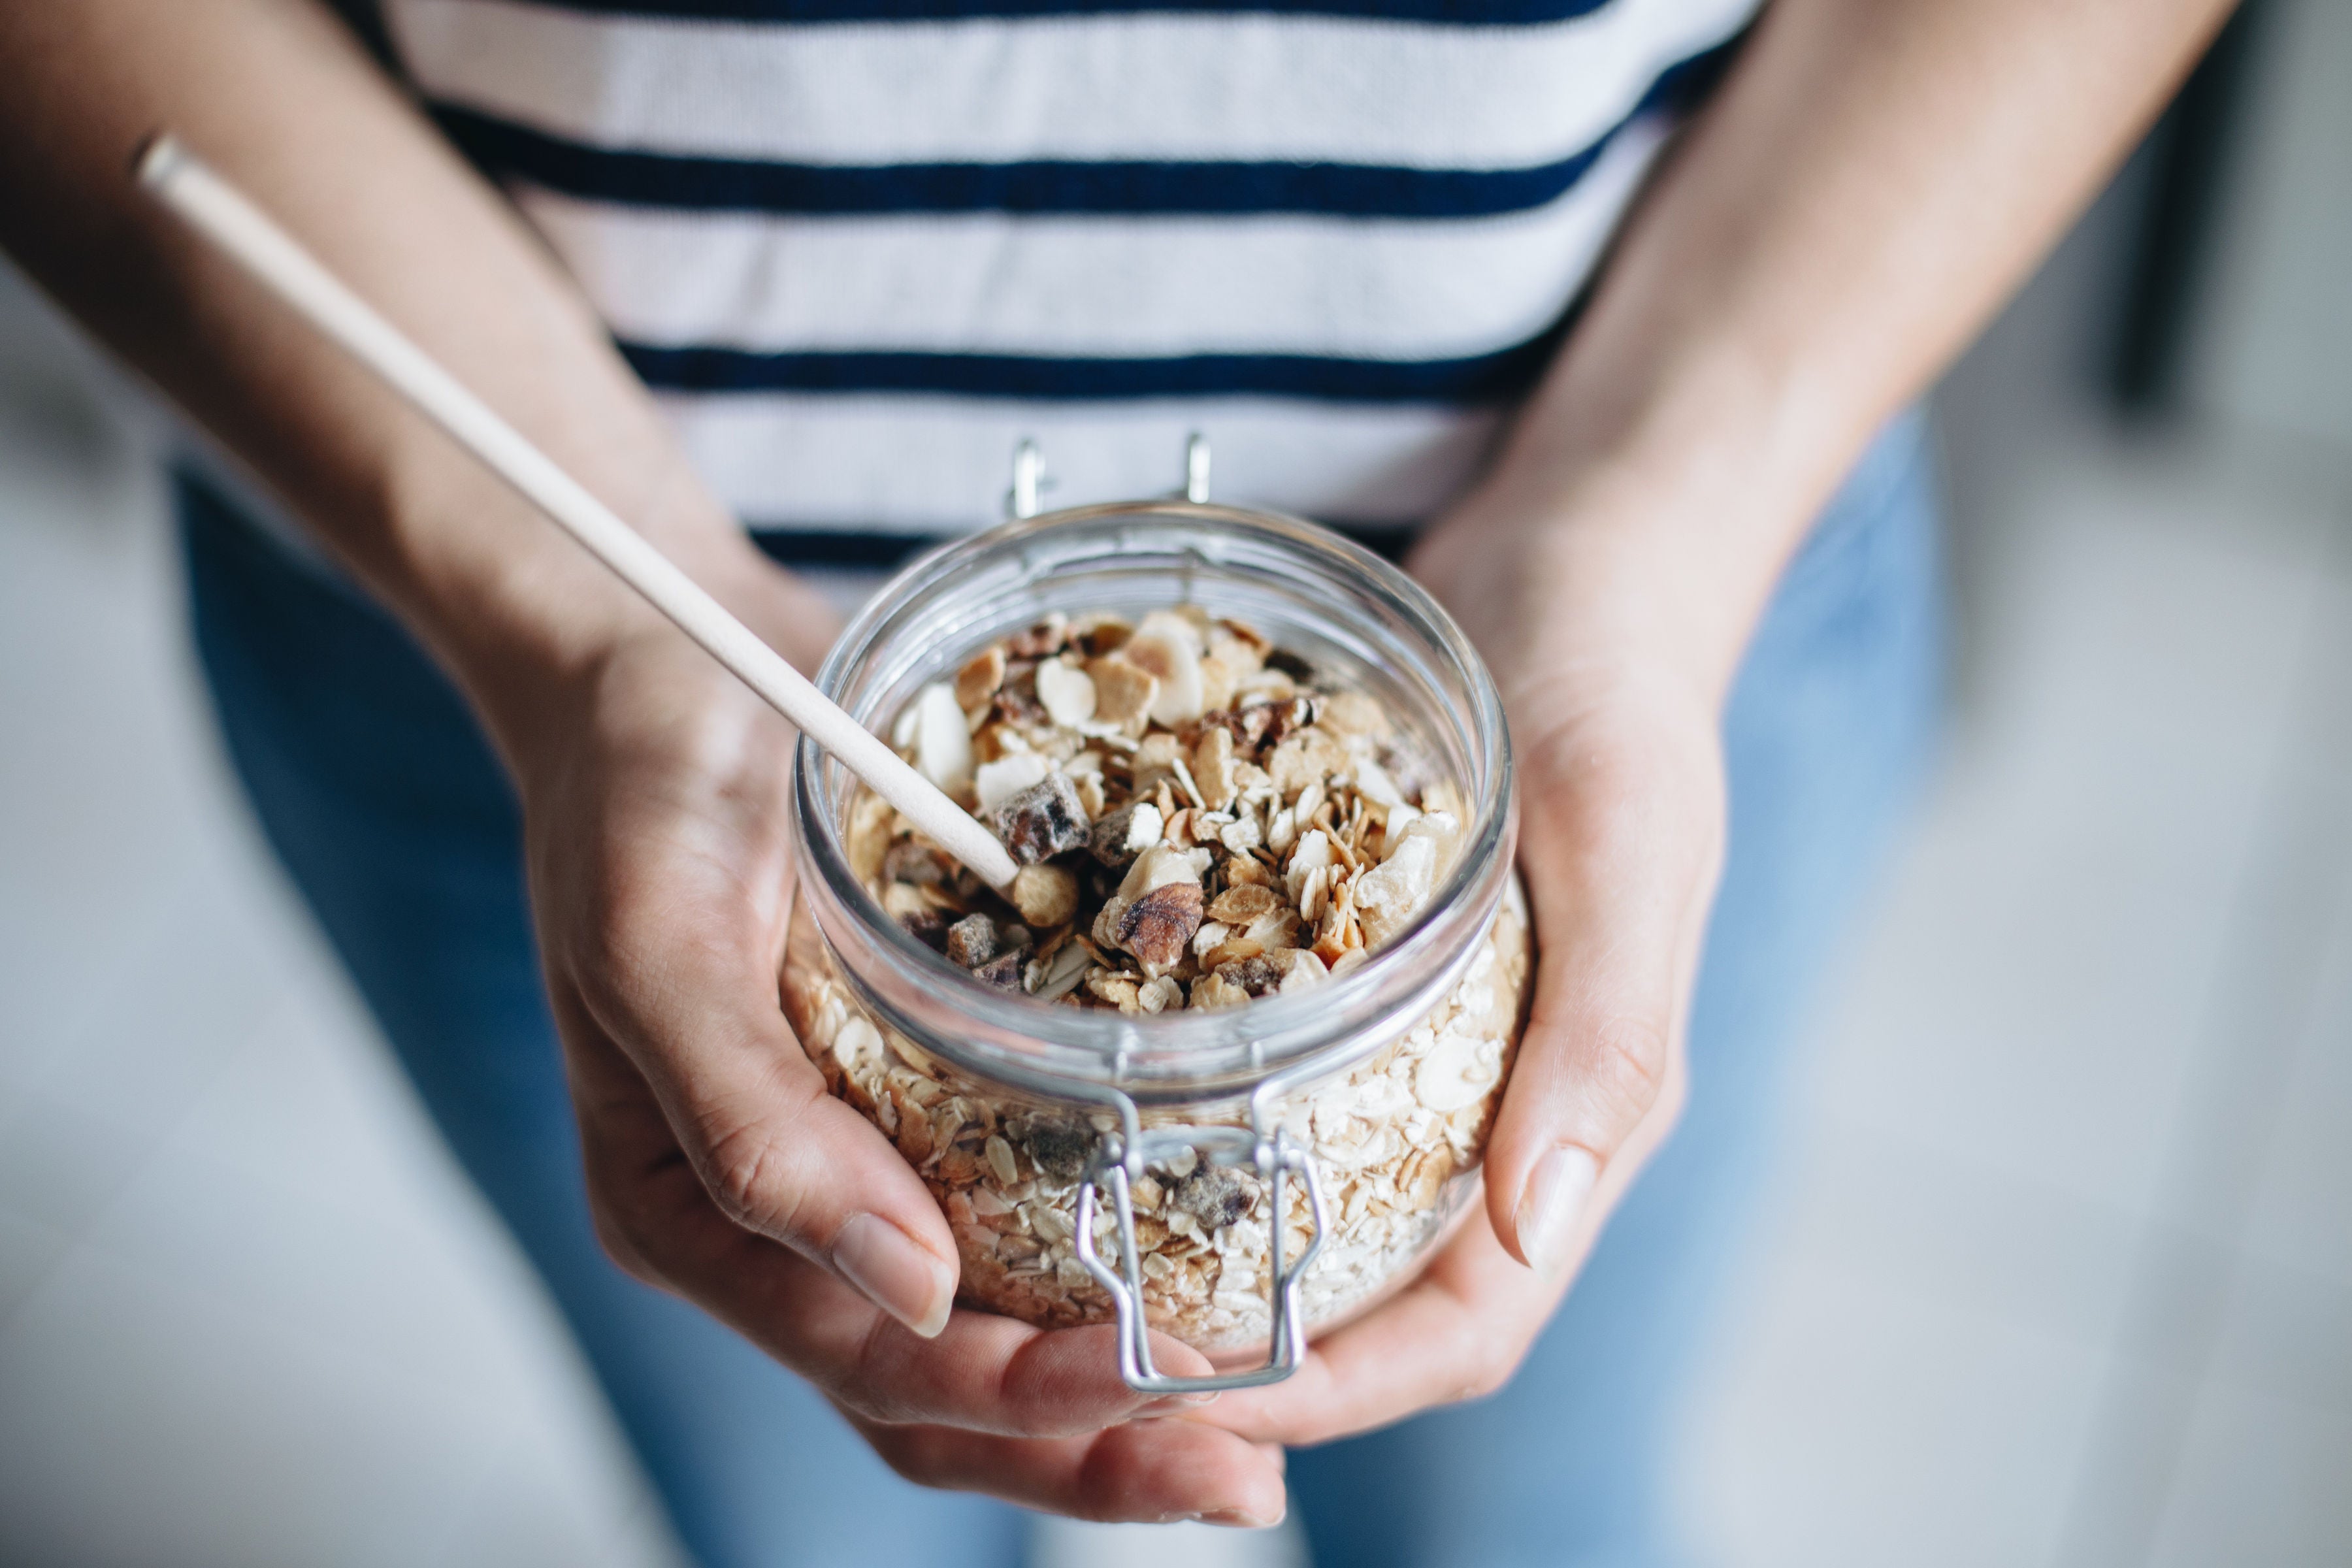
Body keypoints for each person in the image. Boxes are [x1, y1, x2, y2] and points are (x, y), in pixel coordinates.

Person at [0, 1, 2231, 1563]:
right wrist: (581, 619)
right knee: (805, 1526)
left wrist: (1657, 517)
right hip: (539, 655)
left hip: (1629, 605)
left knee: (1527, 1527)